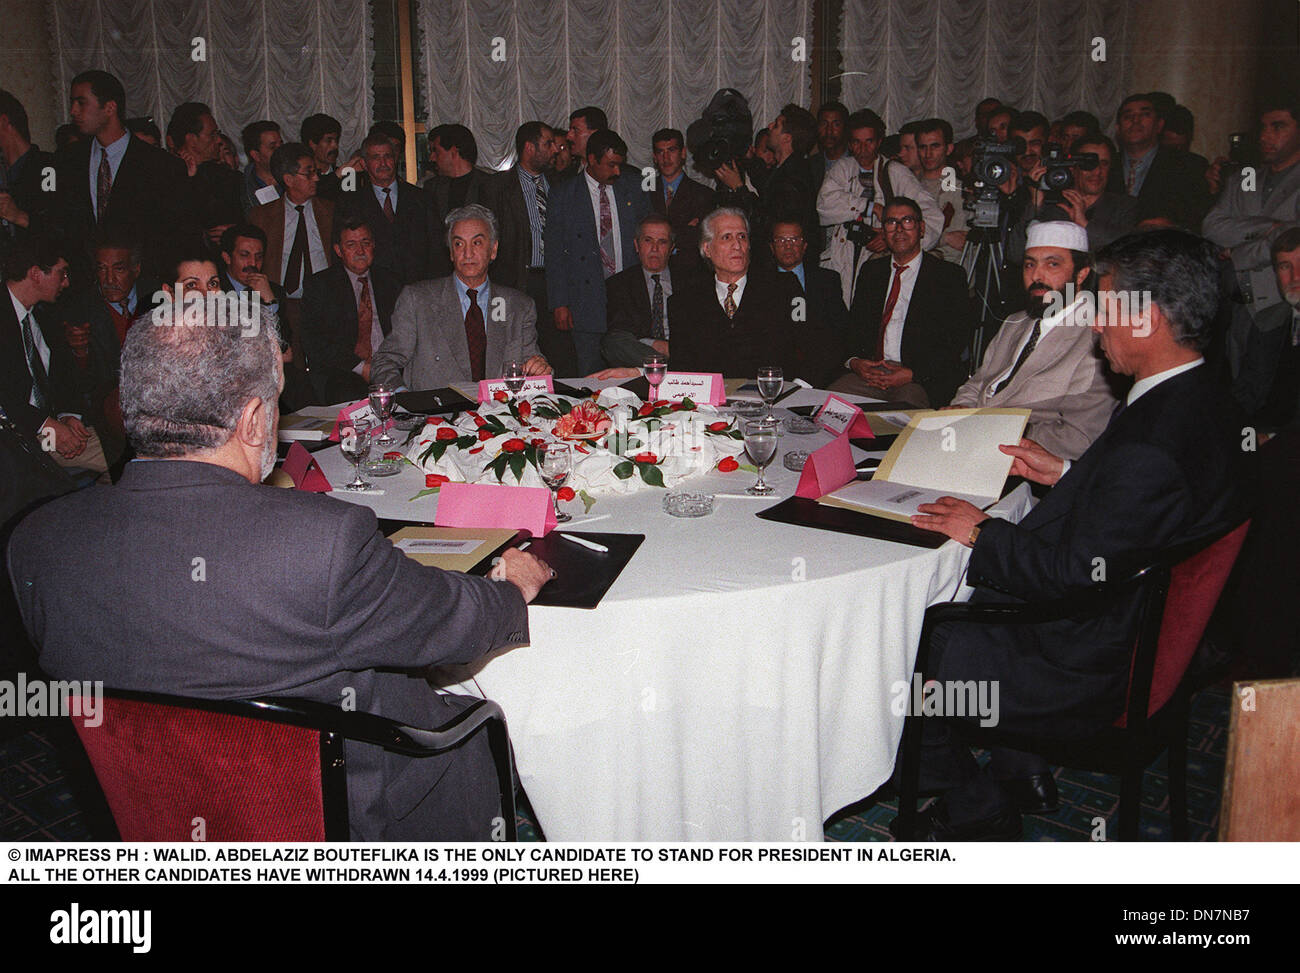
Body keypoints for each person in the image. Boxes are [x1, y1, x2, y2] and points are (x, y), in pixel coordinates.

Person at [7, 303, 554, 840]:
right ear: (250, 421)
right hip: (352, 826)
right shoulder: (321, 544)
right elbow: (449, 623)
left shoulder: (35, 543)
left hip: (150, 823)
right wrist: (511, 586)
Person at [903, 229, 1254, 840]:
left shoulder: (1152, 440)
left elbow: (1067, 574)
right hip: (1136, 630)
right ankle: (1021, 768)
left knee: (899, 651)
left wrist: (980, 531)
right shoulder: (1201, 400)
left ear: (1144, 320)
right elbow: (1134, 515)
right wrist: (1064, 472)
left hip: (1086, 660)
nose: (1094, 327)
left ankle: (976, 802)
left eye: (1106, 309)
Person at [950, 221, 1118, 459]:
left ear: (1082, 273)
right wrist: (961, 409)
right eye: (1030, 264)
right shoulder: (1015, 322)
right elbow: (979, 382)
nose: (1037, 276)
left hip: (1025, 467)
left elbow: (1079, 437)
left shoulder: (1097, 337)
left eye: (1052, 264)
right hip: (966, 443)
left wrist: (987, 429)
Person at [372, 203, 549, 390]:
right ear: (451, 252)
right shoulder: (418, 301)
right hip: (435, 415)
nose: (467, 253)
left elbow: (532, 363)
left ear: (493, 249)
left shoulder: (518, 306)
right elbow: (384, 361)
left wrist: (540, 369)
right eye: (458, 244)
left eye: (477, 243)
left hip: (498, 415)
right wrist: (405, 398)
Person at [830, 198, 970, 408]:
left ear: (921, 228)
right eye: (891, 222)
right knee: (829, 407)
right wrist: (855, 362)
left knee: (904, 421)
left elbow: (955, 342)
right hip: (871, 374)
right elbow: (854, 329)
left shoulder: (948, 276)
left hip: (917, 378)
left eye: (907, 221)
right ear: (883, 231)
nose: (899, 230)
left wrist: (913, 373)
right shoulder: (871, 272)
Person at [54, 70, 191, 281]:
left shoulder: (161, 165)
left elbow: (173, 239)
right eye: (72, 103)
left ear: (109, 107)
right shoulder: (68, 160)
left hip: (144, 288)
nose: (73, 111)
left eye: (81, 103)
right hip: (84, 288)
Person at [1202, 99, 1300, 375]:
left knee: (1271, 397)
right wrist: (1270, 227)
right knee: (1231, 388)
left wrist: (1237, 253)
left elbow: (1292, 240)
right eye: (1263, 127)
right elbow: (1212, 225)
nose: (1265, 136)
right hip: (1233, 302)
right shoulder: (1245, 178)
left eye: (1278, 127)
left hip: (1280, 303)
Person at [544, 128, 649, 375]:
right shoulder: (563, 194)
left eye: (620, 165)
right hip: (585, 300)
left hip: (627, 302)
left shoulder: (633, 188)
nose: (617, 172)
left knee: (631, 376)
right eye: (611, 165)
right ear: (592, 160)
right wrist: (559, 303)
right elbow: (555, 253)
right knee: (590, 375)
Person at [818, 109, 942, 307]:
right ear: (850, 144)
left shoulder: (895, 172)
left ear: (879, 142)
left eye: (869, 141)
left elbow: (931, 217)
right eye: (857, 142)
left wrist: (891, 238)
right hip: (843, 255)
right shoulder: (843, 168)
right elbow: (824, 204)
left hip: (880, 259)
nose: (863, 149)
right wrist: (870, 207)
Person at [668, 207, 804, 379]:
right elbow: (681, 369)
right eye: (727, 237)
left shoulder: (785, 289)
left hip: (775, 398)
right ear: (707, 249)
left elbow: (813, 342)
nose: (737, 245)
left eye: (742, 236)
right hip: (709, 403)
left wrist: (800, 388)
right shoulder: (683, 303)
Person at [56, 232, 158, 459]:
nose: (109, 279)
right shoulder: (78, 309)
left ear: (136, 269)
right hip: (109, 416)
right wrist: (79, 352)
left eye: (118, 269)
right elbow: (75, 386)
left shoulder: (158, 298)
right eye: (102, 269)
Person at [484, 122, 569, 373]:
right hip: (515, 280)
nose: (555, 149)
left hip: (554, 283)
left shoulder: (561, 183)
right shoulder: (497, 187)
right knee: (513, 348)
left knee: (555, 352)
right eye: (548, 143)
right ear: (529, 148)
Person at [247, 141, 336, 374]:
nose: (316, 178)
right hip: (284, 304)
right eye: (309, 173)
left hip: (325, 303)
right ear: (288, 179)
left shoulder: (331, 211)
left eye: (316, 172)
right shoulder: (262, 216)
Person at [300, 217, 402, 403]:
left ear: (374, 246)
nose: (360, 251)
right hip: (345, 371)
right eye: (351, 244)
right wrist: (361, 367)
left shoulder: (392, 281)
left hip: (391, 366)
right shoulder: (320, 286)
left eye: (365, 243)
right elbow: (315, 341)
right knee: (347, 394)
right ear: (338, 250)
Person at [336, 132, 435, 286]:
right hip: (372, 291)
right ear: (363, 164)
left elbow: (436, 251)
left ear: (395, 159)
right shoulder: (350, 203)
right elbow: (341, 253)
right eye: (375, 158)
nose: (383, 163)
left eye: (387, 156)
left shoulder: (422, 198)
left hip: (419, 290)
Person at [1108, 93, 1209, 229]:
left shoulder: (1189, 165)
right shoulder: (1105, 165)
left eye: (1145, 115)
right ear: (1118, 129)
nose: (1135, 120)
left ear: (1159, 125)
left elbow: (1194, 218)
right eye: (1128, 116)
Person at [1021, 134, 1137, 252]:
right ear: (1072, 167)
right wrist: (1036, 203)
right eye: (1089, 164)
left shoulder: (1125, 206)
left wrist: (1084, 224)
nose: (1097, 171)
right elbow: (1016, 254)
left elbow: (1126, 248)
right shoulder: (1054, 206)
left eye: (1104, 163)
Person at [1233, 227, 1300, 431]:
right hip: (1260, 438)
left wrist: (1272, 440)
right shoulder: (1268, 320)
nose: (1295, 276)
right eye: (1284, 266)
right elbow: (1245, 394)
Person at [768, 216, 849, 384]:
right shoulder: (759, 283)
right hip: (774, 375)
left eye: (794, 239)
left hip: (821, 373)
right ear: (772, 247)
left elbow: (839, 334)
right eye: (781, 240)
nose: (788, 245)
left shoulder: (828, 280)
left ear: (804, 246)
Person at [600, 214, 675, 368]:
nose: (654, 249)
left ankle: (665, 367)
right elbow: (621, 330)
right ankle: (666, 367)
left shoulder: (690, 280)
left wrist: (675, 347)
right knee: (613, 342)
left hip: (679, 347)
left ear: (671, 248)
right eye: (648, 241)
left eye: (662, 242)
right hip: (641, 353)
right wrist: (656, 344)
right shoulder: (619, 284)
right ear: (637, 245)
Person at [168, 101, 242, 247]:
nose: (218, 140)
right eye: (212, 134)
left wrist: (235, 231)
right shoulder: (167, 176)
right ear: (192, 140)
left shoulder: (226, 176)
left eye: (218, 133)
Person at [427, 123, 493, 277]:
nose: (432, 157)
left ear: (454, 152)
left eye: (436, 151)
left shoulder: (490, 185)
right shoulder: (431, 188)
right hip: (442, 276)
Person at [0, 89, 54, 260]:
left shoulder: (48, 167)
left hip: (38, 273)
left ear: (3, 121)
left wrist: (20, 216)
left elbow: (59, 227)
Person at [648, 127, 714, 265]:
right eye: (660, 152)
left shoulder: (703, 194)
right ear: (654, 157)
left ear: (683, 153)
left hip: (688, 272)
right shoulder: (645, 192)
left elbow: (701, 240)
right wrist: (685, 230)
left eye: (671, 150)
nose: (666, 158)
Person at [912, 117, 968, 264]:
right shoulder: (909, 185)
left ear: (949, 149)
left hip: (949, 269)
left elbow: (960, 242)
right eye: (923, 147)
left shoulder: (960, 190)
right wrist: (945, 238)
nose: (928, 154)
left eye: (935, 146)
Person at [240, 120, 283, 213]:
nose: (280, 151)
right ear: (256, 155)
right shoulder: (242, 188)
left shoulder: (294, 179)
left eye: (281, 144)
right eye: (273, 147)